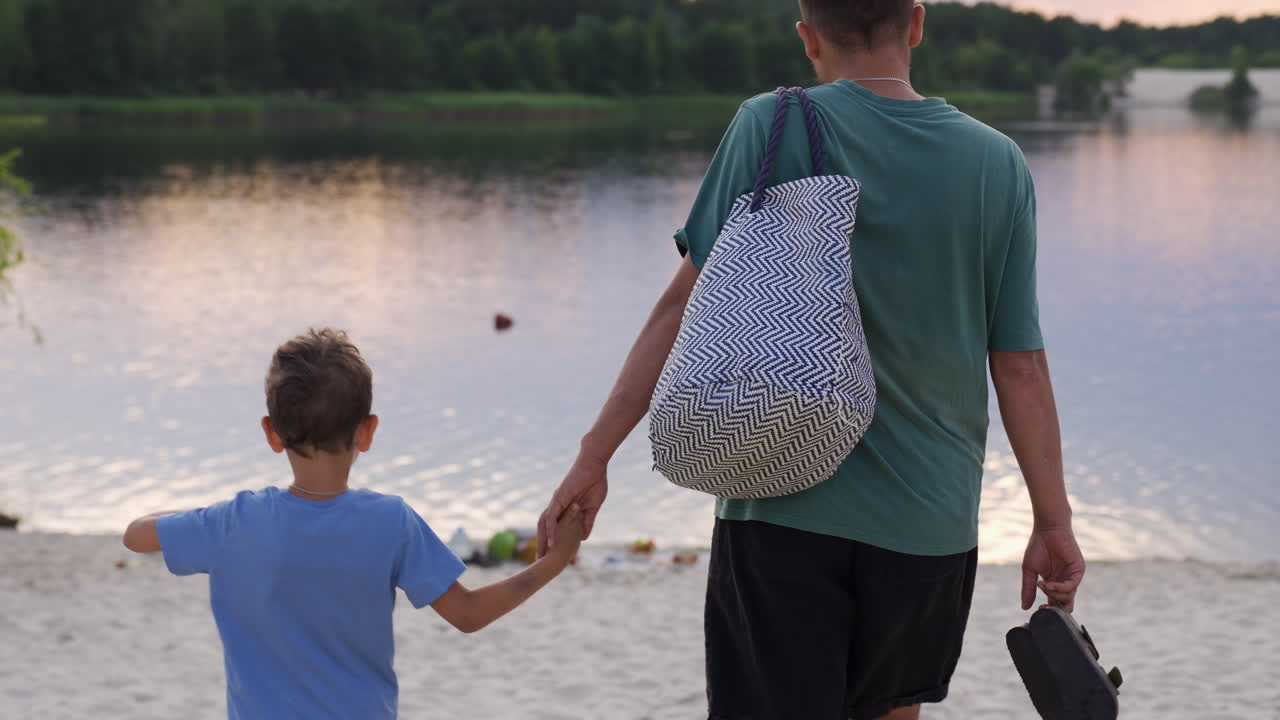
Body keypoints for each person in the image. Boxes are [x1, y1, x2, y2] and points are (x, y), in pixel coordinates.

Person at [537, 2, 1085, 719]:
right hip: (928, 526)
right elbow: (1019, 365)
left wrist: (594, 454)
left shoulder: (771, 123)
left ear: (808, 37)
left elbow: (682, 306)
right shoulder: (997, 163)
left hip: (781, 505)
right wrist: (1052, 519)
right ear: (916, 24)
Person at [123, 328, 585, 719]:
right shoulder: (391, 522)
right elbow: (468, 614)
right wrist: (554, 561)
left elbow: (137, 534)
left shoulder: (234, 522)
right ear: (367, 431)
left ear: (271, 432)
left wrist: (206, 519)